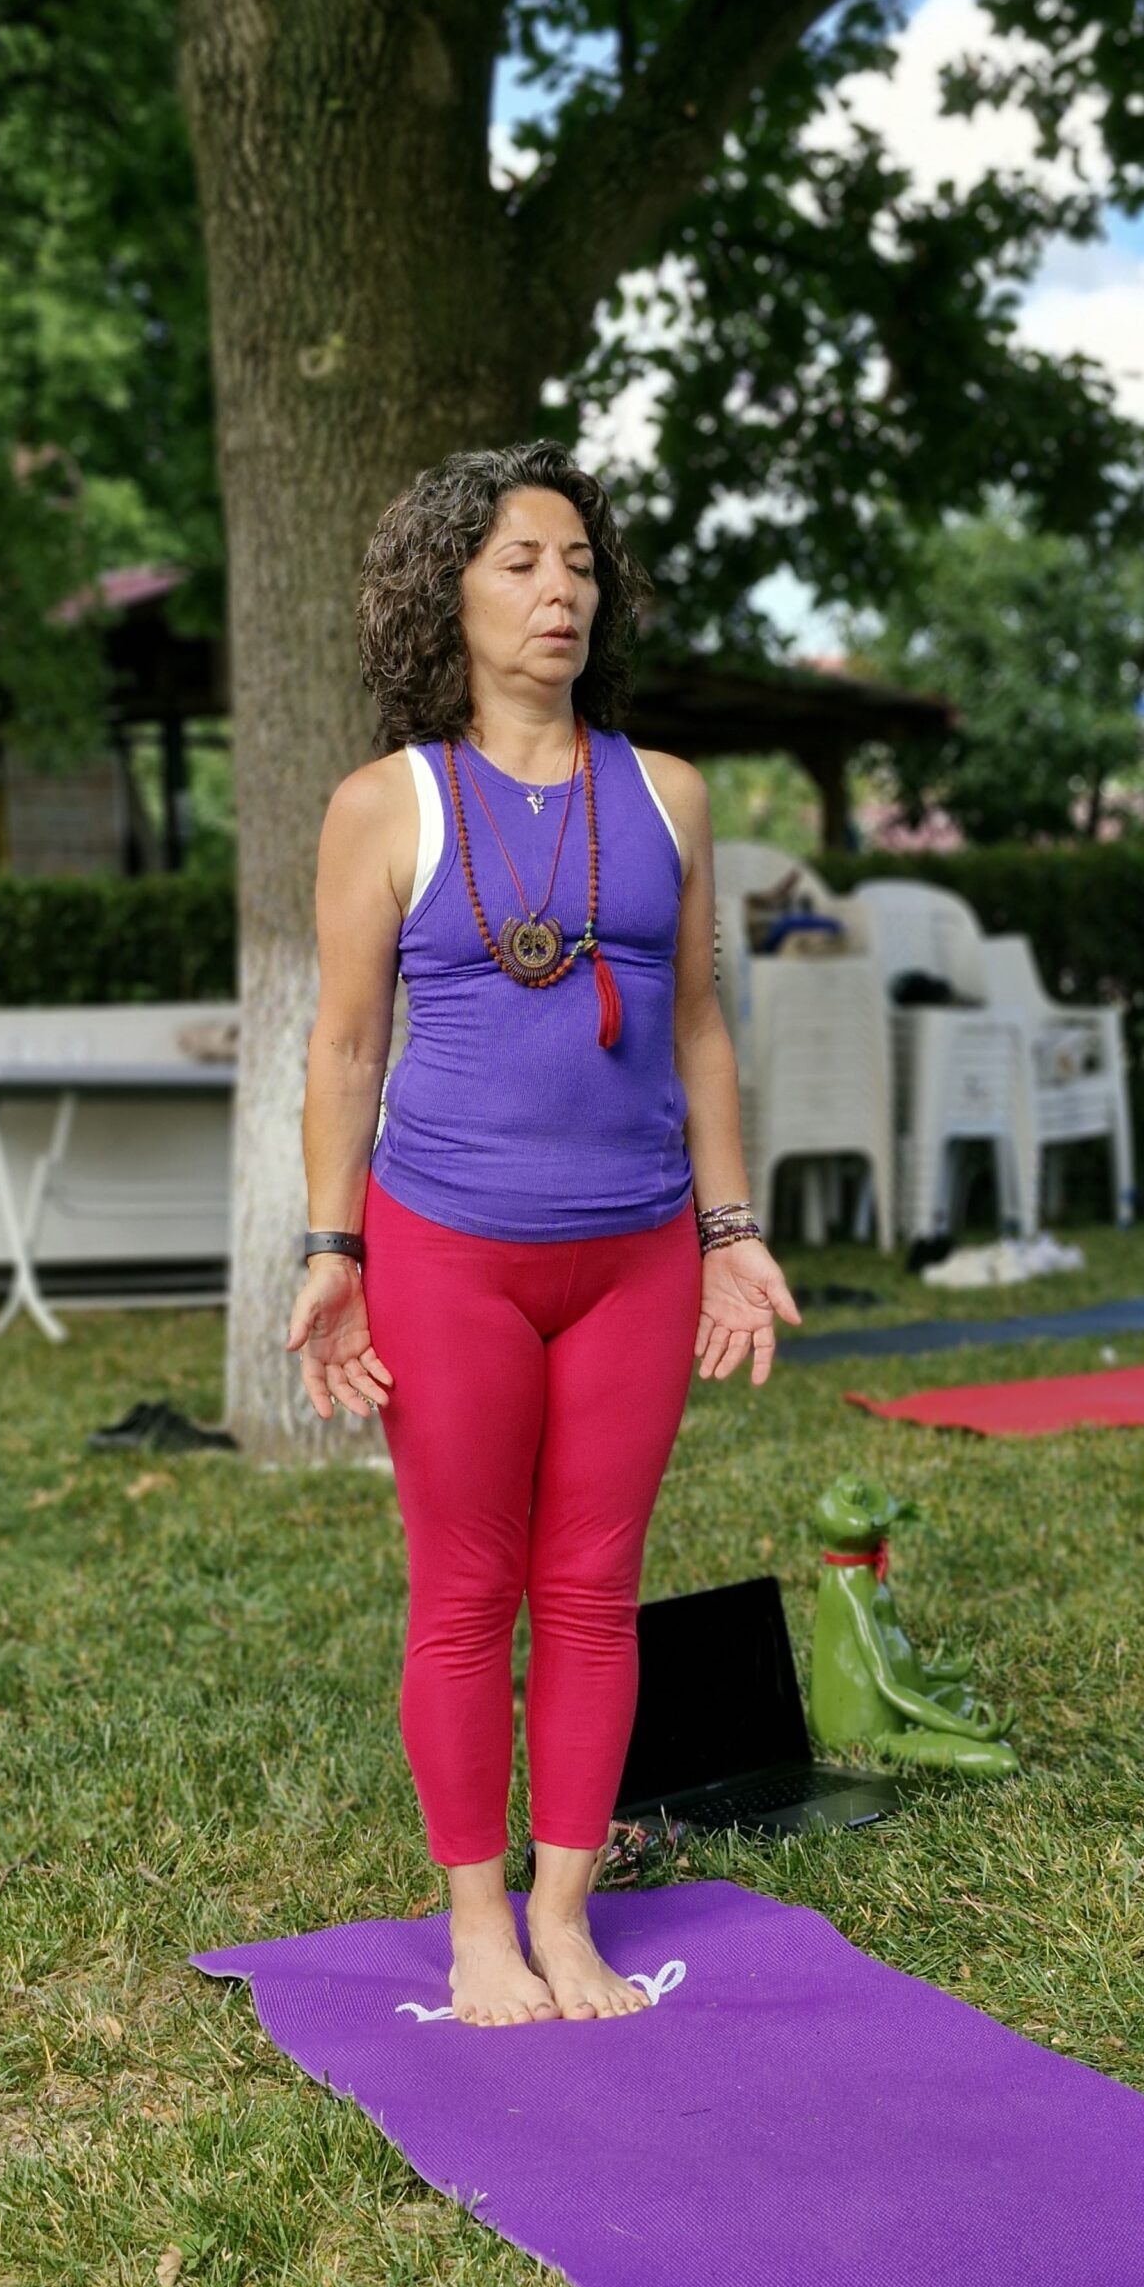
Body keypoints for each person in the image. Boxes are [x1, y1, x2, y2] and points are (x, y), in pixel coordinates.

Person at [283, 441, 801, 2027]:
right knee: (464, 1592)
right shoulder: (387, 805)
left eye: (577, 561)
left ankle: (566, 1912)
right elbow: (346, 1052)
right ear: (446, 595)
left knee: (592, 1588)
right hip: (449, 1252)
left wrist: (730, 1229)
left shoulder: (667, 796)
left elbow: (699, 1031)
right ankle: (473, 1927)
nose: (558, 589)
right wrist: (332, 1251)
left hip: (636, 1255)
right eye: (518, 561)